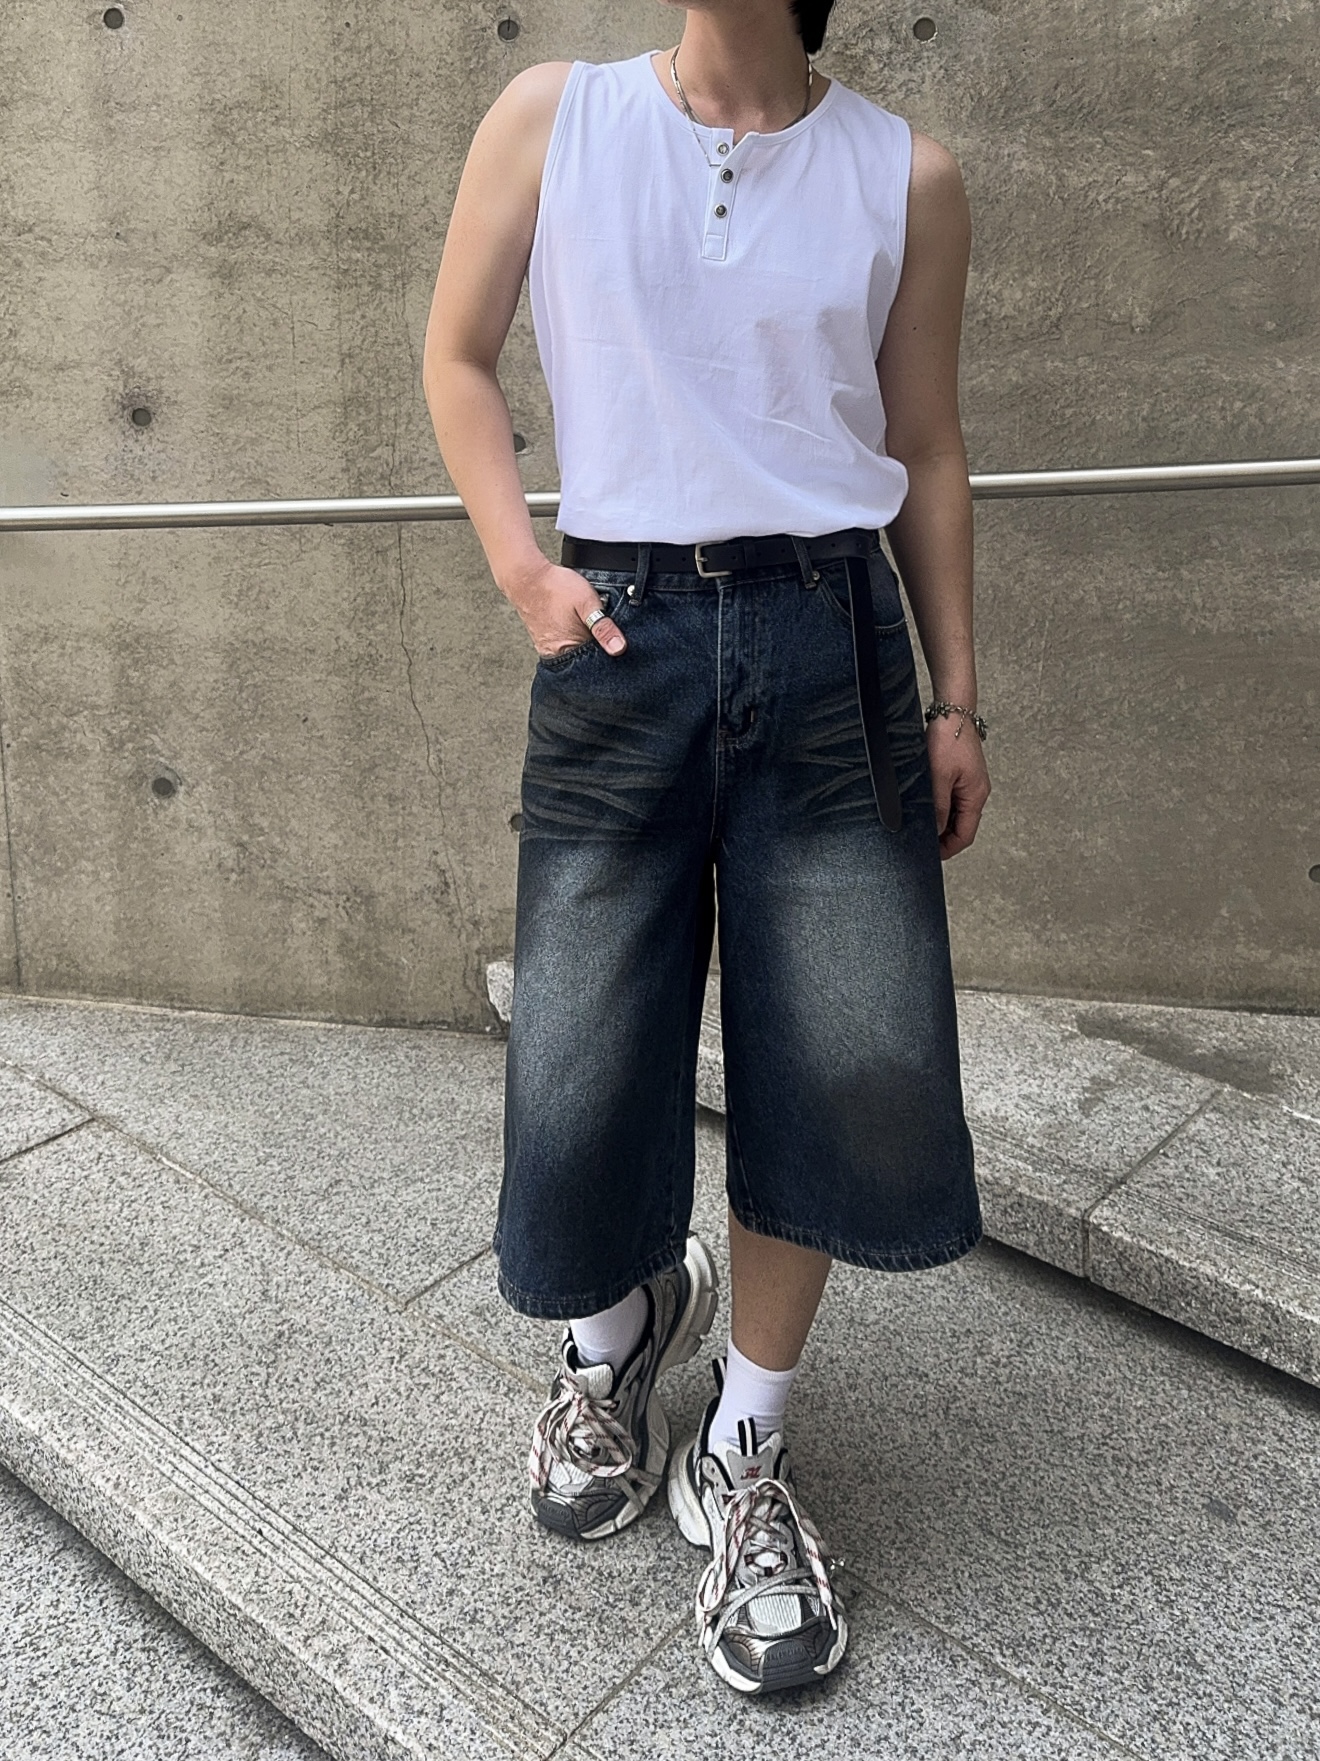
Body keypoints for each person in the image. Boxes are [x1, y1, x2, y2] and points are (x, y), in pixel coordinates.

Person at [423, 0, 990, 1696]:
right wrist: (523, 568)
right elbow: (457, 354)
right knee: (583, 1036)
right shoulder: (556, 117)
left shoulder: (905, 173)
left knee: (840, 1050)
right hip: (620, 631)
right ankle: (611, 1343)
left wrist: (958, 695)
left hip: (830, 639)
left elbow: (928, 446)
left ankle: (746, 1439)